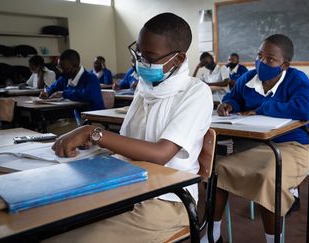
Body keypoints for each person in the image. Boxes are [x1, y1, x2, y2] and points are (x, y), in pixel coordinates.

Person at [45, 12, 213, 243]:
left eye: (149, 56)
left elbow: (160, 154)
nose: (140, 62)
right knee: (52, 221)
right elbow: (129, 143)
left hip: (167, 199)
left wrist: (93, 133)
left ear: (178, 59)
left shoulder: (196, 92)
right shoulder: (145, 87)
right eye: (139, 54)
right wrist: (92, 148)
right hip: (127, 184)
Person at [203, 34, 309, 243]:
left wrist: (263, 108)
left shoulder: (296, 79)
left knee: (269, 177)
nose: (262, 62)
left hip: (292, 144)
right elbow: (234, 97)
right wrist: (229, 105)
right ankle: (213, 234)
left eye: (270, 59)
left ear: (284, 65)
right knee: (215, 171)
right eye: (259, 56)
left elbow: (307, 109)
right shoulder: (248, 78)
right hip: (255, 143)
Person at [39, 49, 104, 111]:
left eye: (64, 69)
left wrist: (63, 93)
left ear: (76, 66)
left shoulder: (91, 78)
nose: (61, 72)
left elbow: (87, 94)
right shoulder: (65, 77)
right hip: (71, 115)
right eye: (60, 68)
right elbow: (53, 87)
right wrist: (47, 92)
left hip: (91, 117)